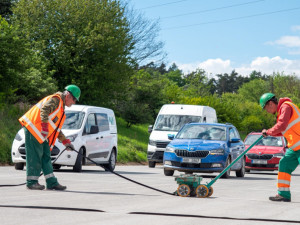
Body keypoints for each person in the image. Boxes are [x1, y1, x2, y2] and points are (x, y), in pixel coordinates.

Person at [19, 85, 81, 191]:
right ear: (68, 95)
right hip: (34, 129)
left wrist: (65, 141)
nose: (74, 102)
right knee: (35, 157)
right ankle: (31, 182)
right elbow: (44, 110)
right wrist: (44, 127)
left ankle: (51, 182)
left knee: (46, 156)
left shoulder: (61, 107)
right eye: (74, 99)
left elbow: (55, 128)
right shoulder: (56, 100)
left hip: (40, 133)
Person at [260, 92, 300, 202]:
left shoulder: (286, 106)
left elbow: (281, 125)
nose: (267, 111)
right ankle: (283, 194)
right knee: (284, 163)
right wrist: (268, 133)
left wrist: (268, 131)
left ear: (271, 104)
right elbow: (282, 130)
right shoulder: (282, 111)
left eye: (266, 108)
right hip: (295, 147)